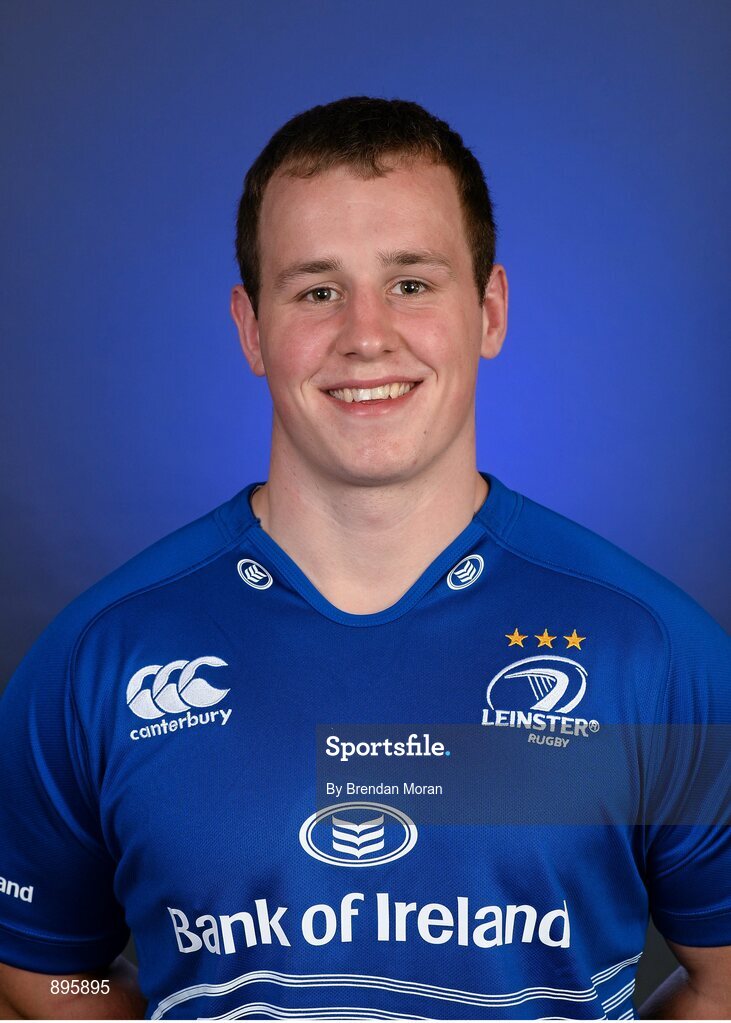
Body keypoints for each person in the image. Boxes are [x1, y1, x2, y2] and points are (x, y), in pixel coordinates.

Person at [0, 96, 728, 1021]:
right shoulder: (103, 652)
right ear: (250, 328)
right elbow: (40, 967)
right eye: (316, 289)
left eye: (412, 283)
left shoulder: (654, 651)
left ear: (489, 311)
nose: (366, 334)